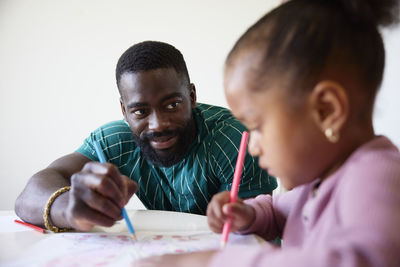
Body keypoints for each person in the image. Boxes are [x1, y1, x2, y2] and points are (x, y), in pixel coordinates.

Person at [134, 0, 400, 266]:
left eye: (257, 127)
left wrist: (214, 262)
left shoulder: (376, 177)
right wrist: (248, 214)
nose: (252, 147)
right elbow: (277, 209)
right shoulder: (318, 181)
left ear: (326, 110)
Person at [14, 41, 277, 232]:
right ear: (124, 111)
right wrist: (69, 209)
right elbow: (27, 199)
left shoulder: (234, 139)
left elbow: (253, 234)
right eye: (140, 110)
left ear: (192, 97)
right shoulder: (115, 141)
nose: (158, 124)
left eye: (172, 104)